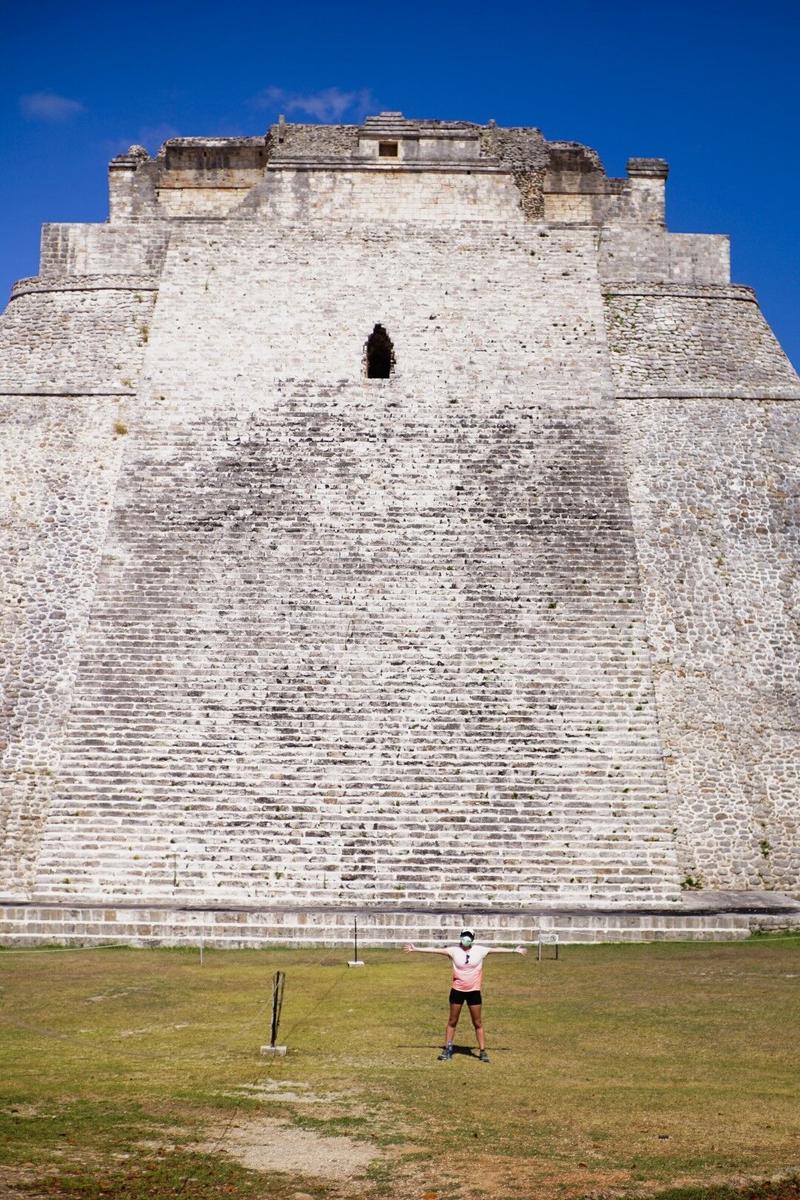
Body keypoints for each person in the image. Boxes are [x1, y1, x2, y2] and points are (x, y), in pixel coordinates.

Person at [404, 928, 527, 1062]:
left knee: (477, 1022)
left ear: (473, 939)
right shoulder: (454, 951)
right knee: (452, 1021)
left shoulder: (479, 950)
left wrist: (514, 950)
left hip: (473, 992)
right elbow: (435, 950)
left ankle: (482, 1051)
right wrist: (416, 949)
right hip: (457, 991)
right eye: (464, 936)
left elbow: (496, 949)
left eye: (469, 937)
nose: (466, 939)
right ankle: (448, 1049)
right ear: (460, 937)